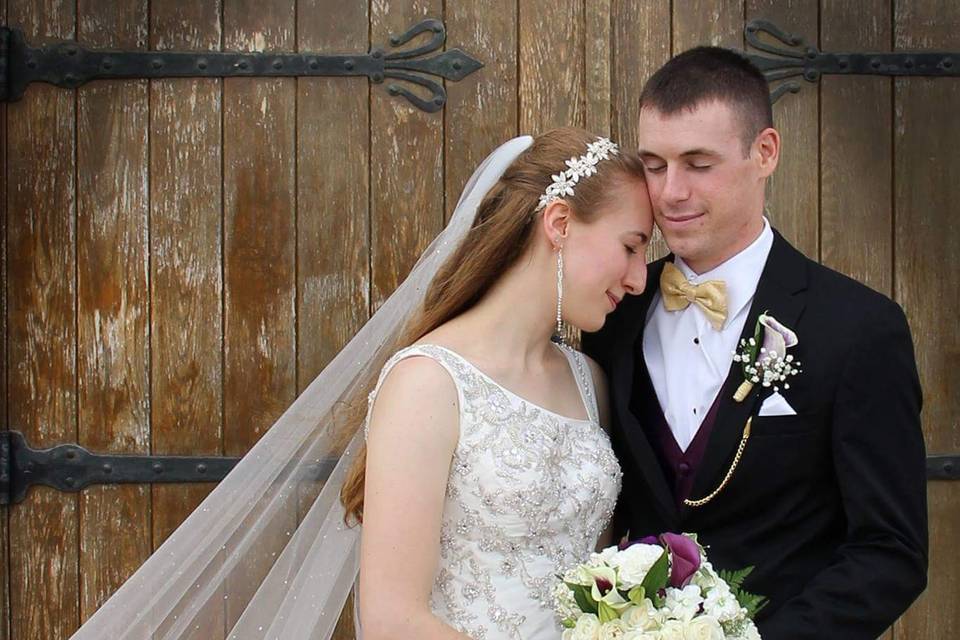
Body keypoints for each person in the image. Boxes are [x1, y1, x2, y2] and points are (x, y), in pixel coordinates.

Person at [582, 46, 928, 639]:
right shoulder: (614, 316)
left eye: (698, 163)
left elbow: (889, 551)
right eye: (655, 164)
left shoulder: (859, 328)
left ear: (764, 152)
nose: (670, 193)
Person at [339, 127, 653, 640]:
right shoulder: (428, 384)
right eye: (631, 247)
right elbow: (392, 621)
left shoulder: (590, 383)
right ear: (560, 223)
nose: (640, 279)